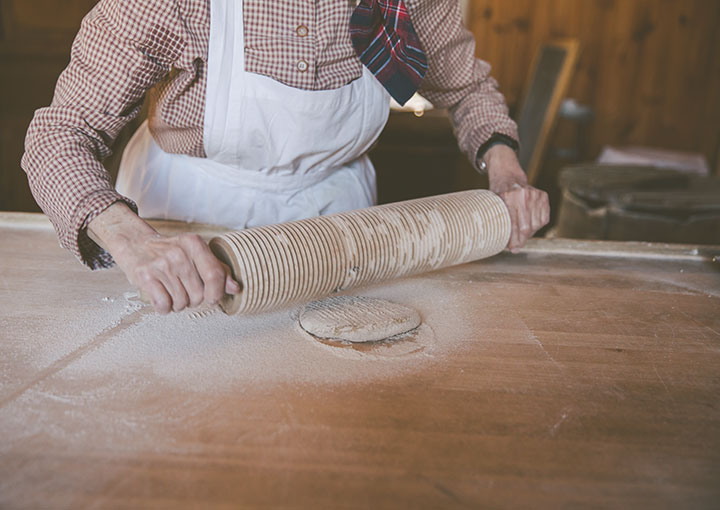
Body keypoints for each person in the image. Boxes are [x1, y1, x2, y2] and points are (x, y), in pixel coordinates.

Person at [22, 0, 549, 314]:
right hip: (184, 225)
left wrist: (504, 168)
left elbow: (466, 87)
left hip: (336, 228)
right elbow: (60, 134)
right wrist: (133, 241)